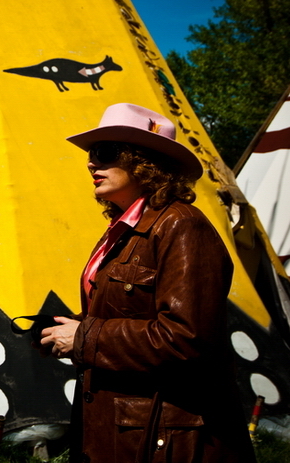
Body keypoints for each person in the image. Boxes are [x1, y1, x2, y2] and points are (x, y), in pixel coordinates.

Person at [40, 103, 256, 463]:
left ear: (145, 161)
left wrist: (85, 337)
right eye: (91, 154)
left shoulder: (182, 226)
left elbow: (186, 338)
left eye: (105, 153)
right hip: (126, 427)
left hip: (167, 437)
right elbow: (131, 313)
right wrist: (69, 329)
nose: (92, 163)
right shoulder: (126, 230)